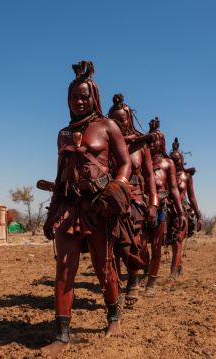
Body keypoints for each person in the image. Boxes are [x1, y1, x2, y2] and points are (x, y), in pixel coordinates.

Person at [40, 61, 132, 359]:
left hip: (98, 207)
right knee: (64, 271)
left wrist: (117, 186)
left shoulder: (108, 126)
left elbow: (126, 163)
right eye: (74, 97)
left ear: (94, 97)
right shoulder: (63, 133)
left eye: (84, 96)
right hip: (69, 207)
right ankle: (62, 335)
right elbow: (59, 173)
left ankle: (114, 317)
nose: (79, 101)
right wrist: (51, 211)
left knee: (104, 268)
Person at [107, 94, 157, 306]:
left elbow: (149, 176)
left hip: (135, 199)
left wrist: (153, 202)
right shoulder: (104, 142)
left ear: (129, 120)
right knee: (110, 244)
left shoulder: (141, 146)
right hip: (110, 197)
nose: (120, 123)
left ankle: (134, 280)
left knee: (136, 243)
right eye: (115, 120)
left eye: (123, 120)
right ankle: (115, 285)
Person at [139, 118, 186, 296]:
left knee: (157, 245)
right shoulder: (140, 159)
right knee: (140, 245)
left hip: (160, 208)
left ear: (161, 143)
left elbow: (173, 188)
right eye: (149, 140)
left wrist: (181, 212)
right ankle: (144, 271)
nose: (151, 144)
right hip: (141, 206)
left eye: (155, 140)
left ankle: (151, 283)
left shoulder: (168, 163)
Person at [167, 137, 202, 280]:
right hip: (167, 210)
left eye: (178, 158)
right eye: (173, 159)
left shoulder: (186, 176)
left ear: (182, 159)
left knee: (177, 242)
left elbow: (192, 197)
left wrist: (198, 215)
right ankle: (179, 268)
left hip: (183, 211)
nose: (176, 161)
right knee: (169, 241)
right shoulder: (166, 175)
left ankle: (173, 273)